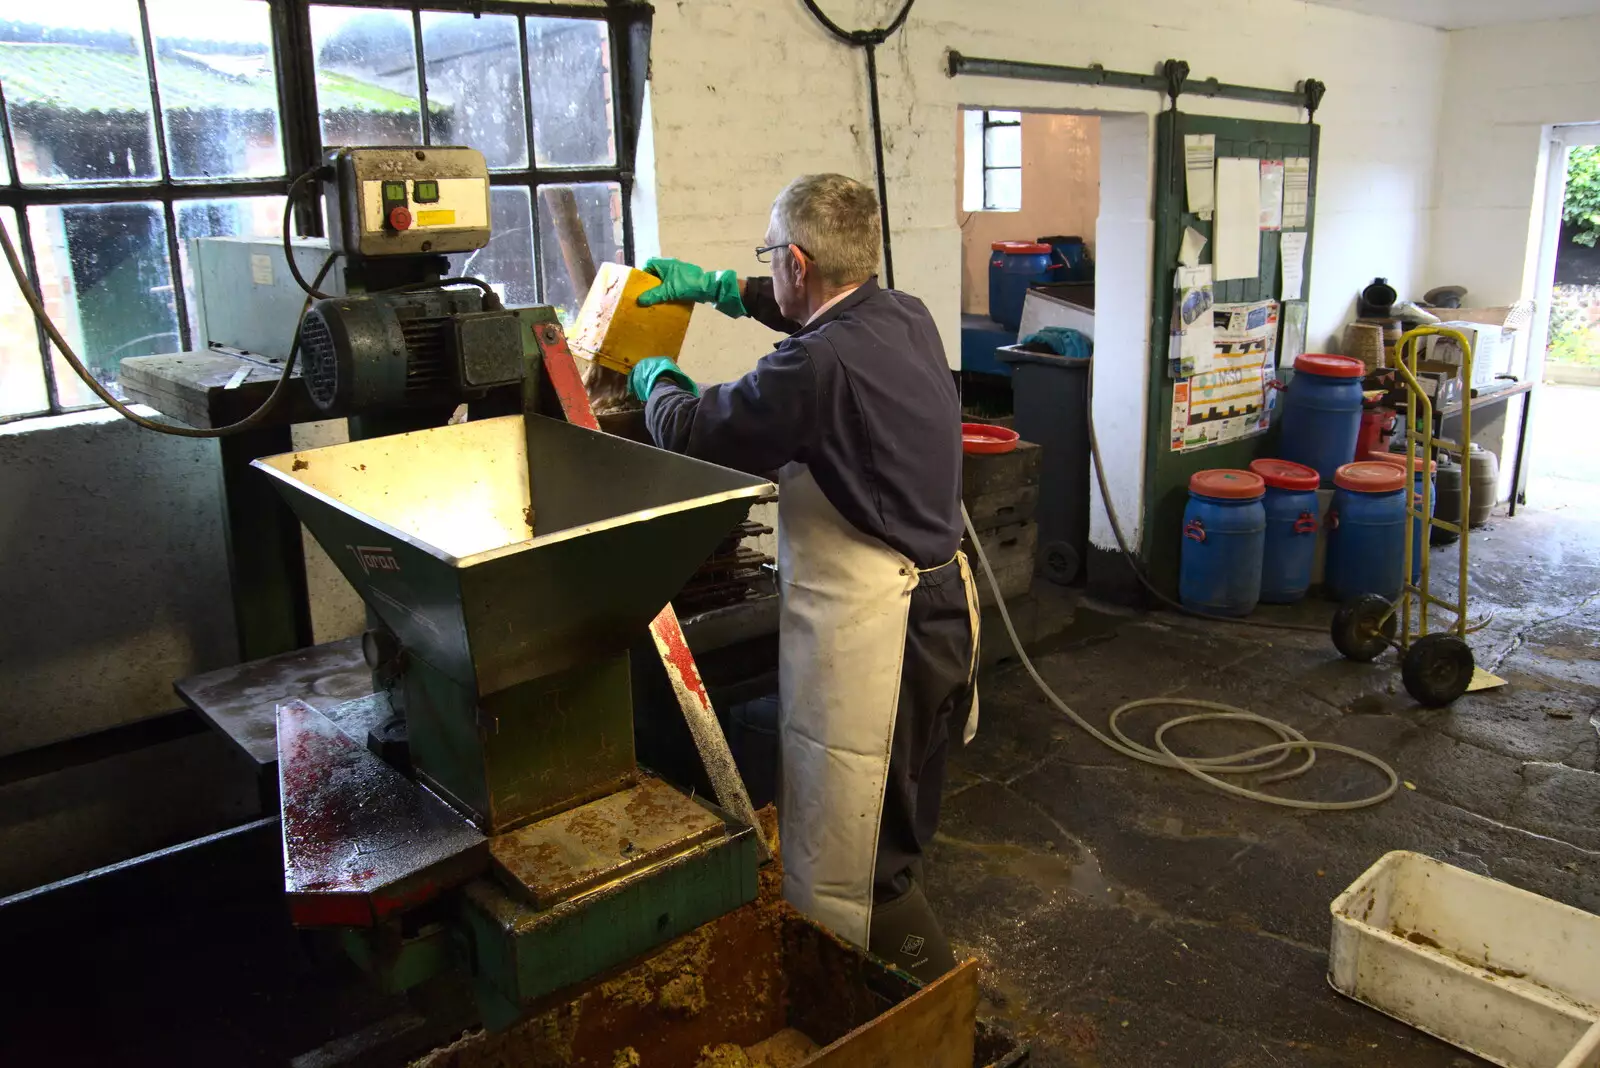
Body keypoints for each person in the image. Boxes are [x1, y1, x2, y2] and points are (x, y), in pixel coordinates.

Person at [626, 173, 978, 979]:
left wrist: (656, 380)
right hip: (940, 610)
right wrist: (722, 290)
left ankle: (922, 1008)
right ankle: (883, 982)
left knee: (869, 856)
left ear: (795, 260)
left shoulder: (812, 370)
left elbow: (693, 432)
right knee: (893, 822)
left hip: (884, 636)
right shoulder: (906, 315)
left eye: (765, 262)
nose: (765, 274)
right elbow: (807, 303)